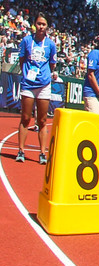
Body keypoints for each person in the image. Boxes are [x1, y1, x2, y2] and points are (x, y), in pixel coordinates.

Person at [16, 13, 58, 164]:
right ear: (34, 25)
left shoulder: (51, 44)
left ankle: (42, 153)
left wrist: (45, 74)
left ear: (47, 27)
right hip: (28, 84)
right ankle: (21, 150)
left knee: (42, 120)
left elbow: (52, 64)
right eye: (39, 24)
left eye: (44, 24)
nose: (41, 27)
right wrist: (27, 73)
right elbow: (22, 60)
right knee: (26, 118)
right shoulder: (27, 41)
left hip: (44, 85)